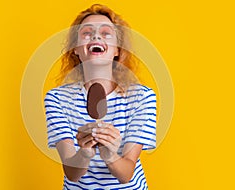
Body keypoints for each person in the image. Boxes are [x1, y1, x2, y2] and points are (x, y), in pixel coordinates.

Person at [44, 4, 156, 189]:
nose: (96, 36)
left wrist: (109, 153)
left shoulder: (142, 97)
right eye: (87, 33)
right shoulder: (58, 99)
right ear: (75, 49)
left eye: (106, 33)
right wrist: (85, 152)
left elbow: (126, 174)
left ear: (117, 50)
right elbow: (71, 173)